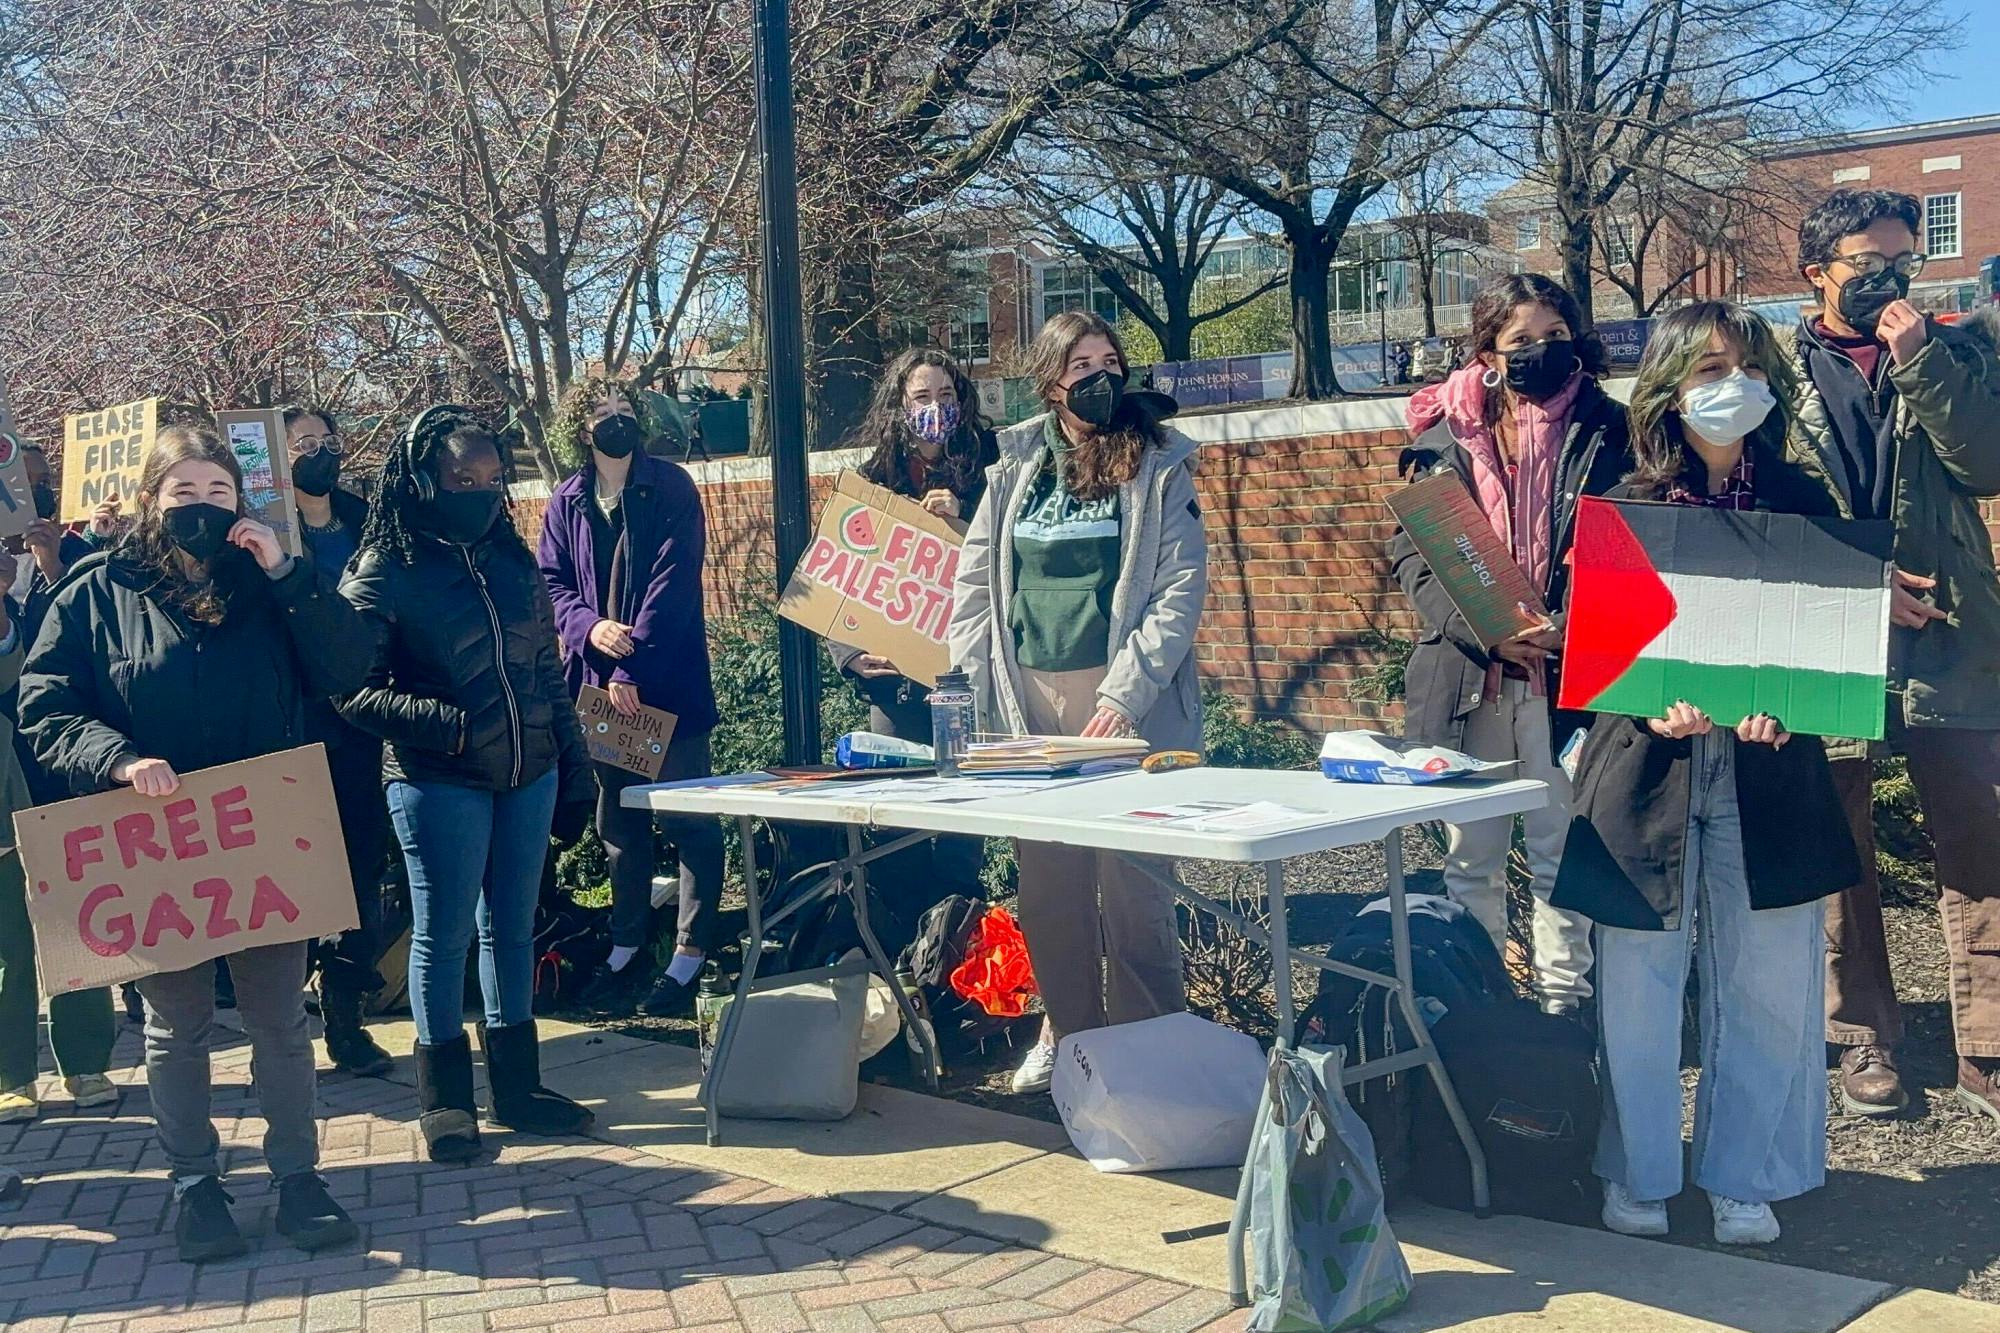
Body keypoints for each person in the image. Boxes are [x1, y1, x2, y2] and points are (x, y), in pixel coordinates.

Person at [19, 425, 369, 1262]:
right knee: (176, 1027)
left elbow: (349, 664)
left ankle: (297, 1178)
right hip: (155, 840)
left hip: (262, 838)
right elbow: (45, 706)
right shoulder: (94, 593)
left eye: (219, 493)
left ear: (240, 501)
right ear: (150, 500)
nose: (203, 509)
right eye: (184, 493)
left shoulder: (270, 582)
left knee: (280, 1021)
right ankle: (195, 1185)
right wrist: (117, 759)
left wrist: (288, 576)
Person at [1552, 302, 1858, 1246]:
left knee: (1768, 977)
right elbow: (1594, 653)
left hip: (1771, 770)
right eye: (1710, 367)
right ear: (1670, 389)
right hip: (1647, 769)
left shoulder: (1804, 502)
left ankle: (1745, 1176)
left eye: (1748, 364)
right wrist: (1647, 704)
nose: (1735, 384)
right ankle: (1639, 1170)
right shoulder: (1626, 506)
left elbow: (1827, 639)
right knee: (1640, 974)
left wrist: (1794, 710)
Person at [1779, 190, 2000, 1125]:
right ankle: (1864, 1033)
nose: (1889, 280)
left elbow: (1986, 463)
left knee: (1982, 834)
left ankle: (1986, 1045)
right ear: (1817, 273)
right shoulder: (1769, 371)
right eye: (1867, 265)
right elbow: (1761, 506)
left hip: (1952, 626)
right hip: (1828, 628)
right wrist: (1856, 588)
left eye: (1901, 262)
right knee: (1841, 840)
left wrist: (1920, 361)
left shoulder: (1958, 351)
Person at [948, 311, 1207, 1095]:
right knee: (1050, 892)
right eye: (1081, 363)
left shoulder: (1160, 460)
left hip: (1125, 701)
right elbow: (974, 588)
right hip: (1030, 704)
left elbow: (1177, 590)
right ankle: (1077, 1052)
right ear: (1051, 381)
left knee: (1135, 891)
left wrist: (1125, 695)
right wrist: (972, 693)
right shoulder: (1016, 464)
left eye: (1109, 360)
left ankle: (1153, 1055)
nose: (1099, 375)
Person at [339, 405, 596, 1164]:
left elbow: (548, 673)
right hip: (437, 777)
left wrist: (574, 767)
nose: (480, 491)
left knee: (511, 929)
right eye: (462, 479)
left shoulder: (512, 560)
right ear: (423, 482)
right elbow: (349, 685)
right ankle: (446, 1098)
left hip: (530, 772)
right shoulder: (386, 566)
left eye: (491, 478)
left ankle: (518, 1086)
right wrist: (446, 725)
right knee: (443, 935)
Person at [1390, 273, 1627, 1016]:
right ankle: (1482, 1012)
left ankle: (1565, 1009)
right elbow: (1413, 555)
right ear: (1488, 350)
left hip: (1571, 674)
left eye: (1555, 336)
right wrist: (1490, 631)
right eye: (1521, 340)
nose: (1540, 351)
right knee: (1472, 859)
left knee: (1565, 855)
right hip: (1475, 676)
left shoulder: (1610, 428)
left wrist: (1571, 628)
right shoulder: (1442, 437)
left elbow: (1632, 542)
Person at [537, 378, 723, 1017]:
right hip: (597, 690)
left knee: (686, 820)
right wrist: (588, 628)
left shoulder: (670, 487)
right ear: (579, 429)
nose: (615, 421)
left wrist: (629, 664)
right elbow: (552, 584)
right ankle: (625, 946)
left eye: (624, 411)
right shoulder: (566, 500)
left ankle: (690, 956)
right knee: (619, 821)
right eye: (600, 413)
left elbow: (673, 586)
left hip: (662, 686)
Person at [828, 350, 998, 926]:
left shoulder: (992, 465)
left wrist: (968, 515)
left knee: (961, 818)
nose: (934, 409)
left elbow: (1018, 556)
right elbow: (838, 578)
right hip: (894, 686)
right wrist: (850, 655)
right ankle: (901, 942)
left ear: (963, 399)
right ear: (900, 406)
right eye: (922, 398)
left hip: (964, 679)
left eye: (945, 397)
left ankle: (958, 940)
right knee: (895, 812)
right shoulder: (873, 479)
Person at [275, 405, 394, 1078]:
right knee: (295, 872)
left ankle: (346, 1013)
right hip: (293, 721)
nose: (319, 453)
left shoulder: (365, 517)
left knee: (360, 868)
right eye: (301, 445)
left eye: (326, 441)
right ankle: (285, 1013)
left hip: (364, 717)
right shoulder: (260, 529)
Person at [0, 548, 116, 1123]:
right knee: (9, 955)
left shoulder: (53, 603)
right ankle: (12, 1074)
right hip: (3, 820)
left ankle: (86, 1062)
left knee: (82, 941)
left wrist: (46, 564)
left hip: (61, 802)